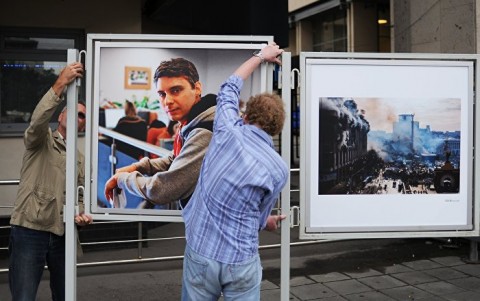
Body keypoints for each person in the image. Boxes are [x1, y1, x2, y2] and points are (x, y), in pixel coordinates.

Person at [181, 43, 288, 300]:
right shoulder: (279, 169)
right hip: (242, 260)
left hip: (202, 251)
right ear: (276, 129)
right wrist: (267, 222)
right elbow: (260, 213)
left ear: (247, 115)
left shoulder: (227, 128)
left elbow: (229, 86)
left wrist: (262, 56)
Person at [9, 62, 93, 301]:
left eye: (82, 116)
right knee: (24, 296)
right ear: (61, 115)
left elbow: (79, 195)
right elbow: (37, 121)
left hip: (63, 233)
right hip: (30, 229)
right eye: (73, 112)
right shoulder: (40, 139)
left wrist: (82, 212)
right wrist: (60, 84)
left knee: (65, 295)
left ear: (84, 124)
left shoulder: (79, 157)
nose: (78, 117)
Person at [104, 58, 217, 208]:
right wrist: (139, 167)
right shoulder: (192, 123)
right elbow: (176, 158)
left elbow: (161, 189)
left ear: (197, 88)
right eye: (162, 94)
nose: (167, 101)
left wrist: (123, 179)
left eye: (176, 90)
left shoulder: (205, 131)